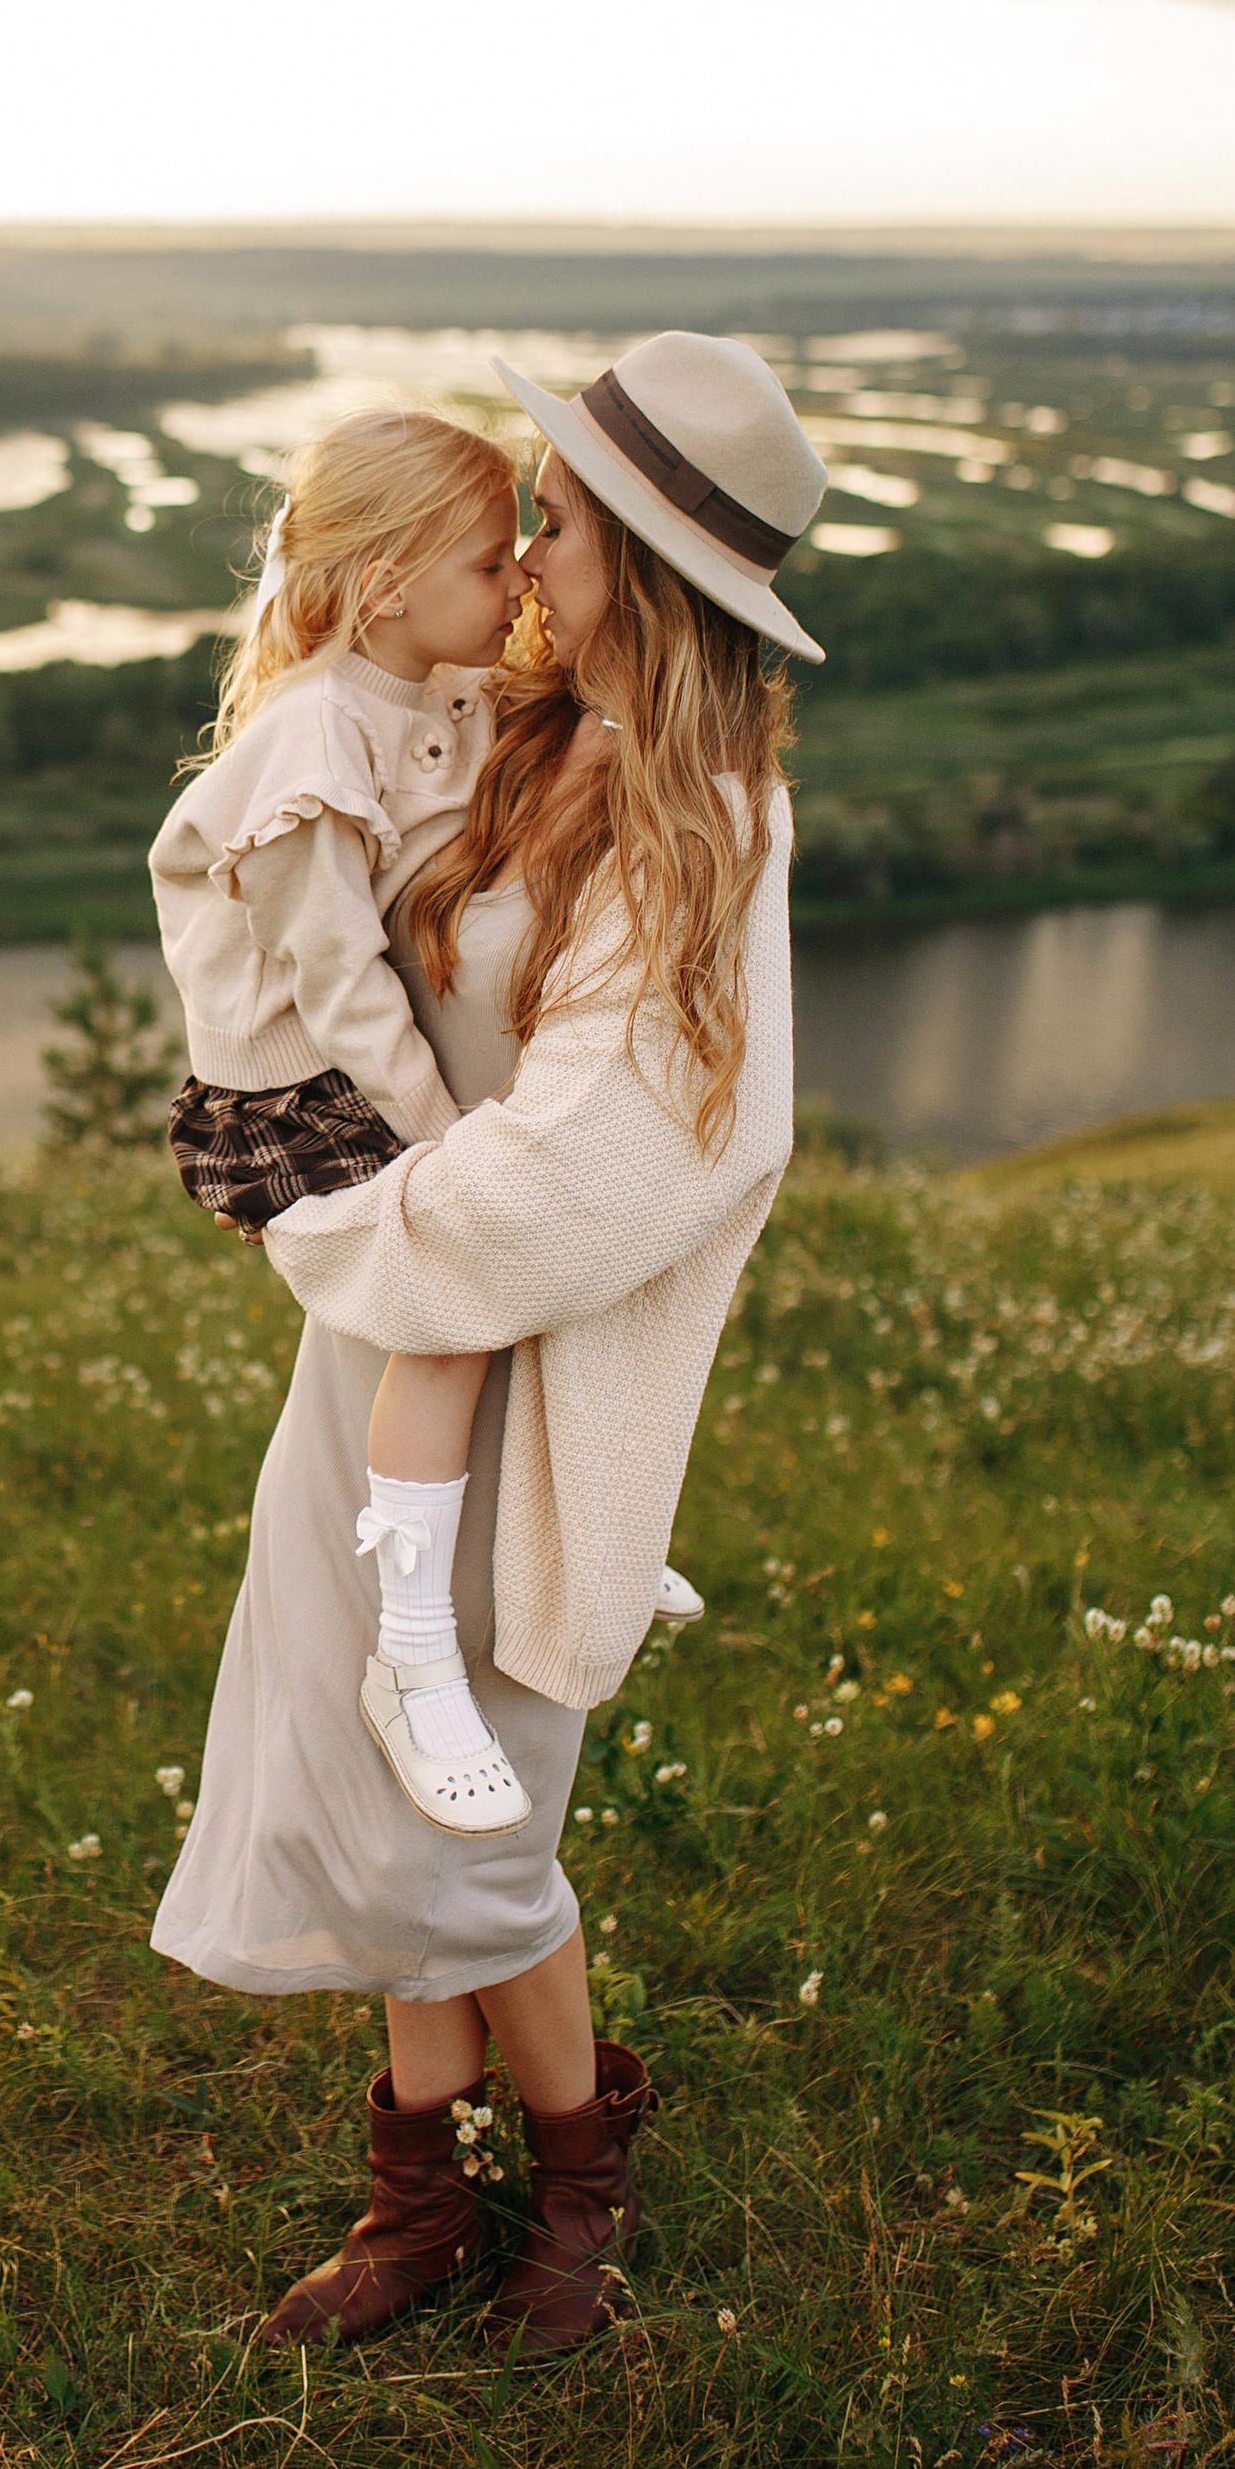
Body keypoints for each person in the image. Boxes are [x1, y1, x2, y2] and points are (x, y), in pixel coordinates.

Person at [151, 331, 830, 2361]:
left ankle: (579, 2196)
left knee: (471, 1825)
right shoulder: (504, 726)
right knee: (369, 1801)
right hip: (374, 1342)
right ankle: (414, 2198)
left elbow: (619, 1149)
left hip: (508, 1365)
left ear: (642, 556)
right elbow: (309, 888)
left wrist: (338, 1223)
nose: (522, 544)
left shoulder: (704, 822)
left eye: (551, 514)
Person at [151, 408, 547, 1829]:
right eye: (494, 564)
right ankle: (417, 1656)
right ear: (387, 583)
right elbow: (338, 983)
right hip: (299, 1099)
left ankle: (573, 1548)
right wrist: (448, 1148)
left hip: (366, 1072)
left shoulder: (439, 685)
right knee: (459, 1313)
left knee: (557, 1260)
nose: (522, 589)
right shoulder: (314, 735)